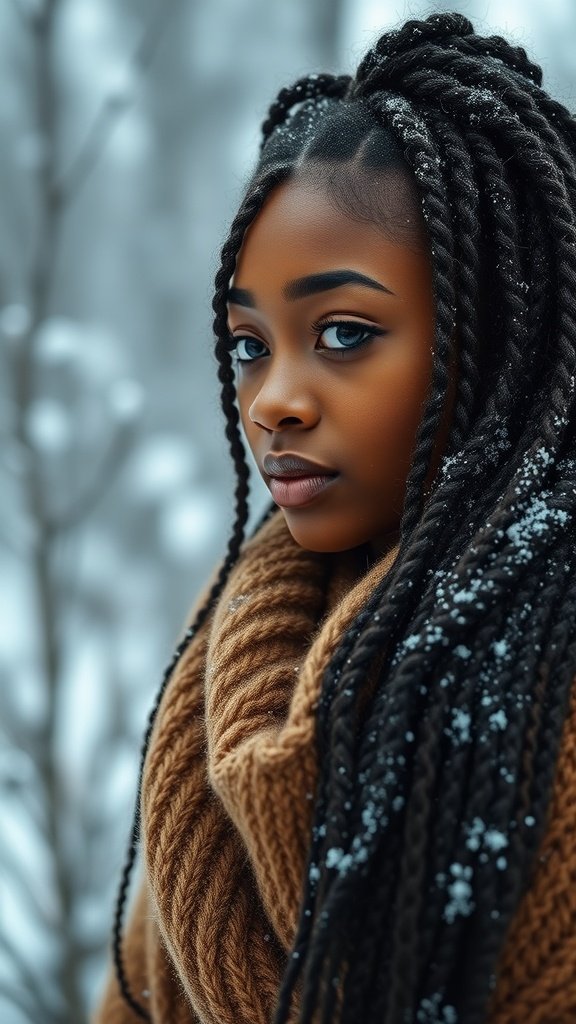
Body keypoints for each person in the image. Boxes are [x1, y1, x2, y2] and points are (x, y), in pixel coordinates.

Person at [94, 11, 576, 1024]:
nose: (273, 398)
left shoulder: (553, 668)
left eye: (345, 332)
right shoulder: (216, 667)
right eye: (247, 345)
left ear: (491, 333)